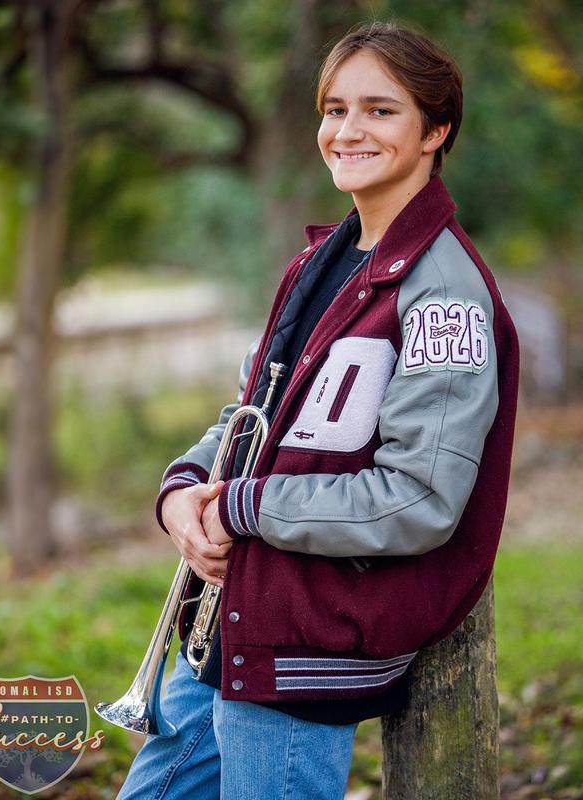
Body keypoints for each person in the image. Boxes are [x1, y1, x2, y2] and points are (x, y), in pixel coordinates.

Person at [117, 20, 519, 800]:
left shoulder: (444, 296)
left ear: (435, 131)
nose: (348, 130)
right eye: (335, 109)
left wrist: (240, 506)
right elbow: (249, 415)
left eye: (380, 110)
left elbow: (417, 498)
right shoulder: (316, 264)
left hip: (306, 643)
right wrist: (183, 492)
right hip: (234, 622)